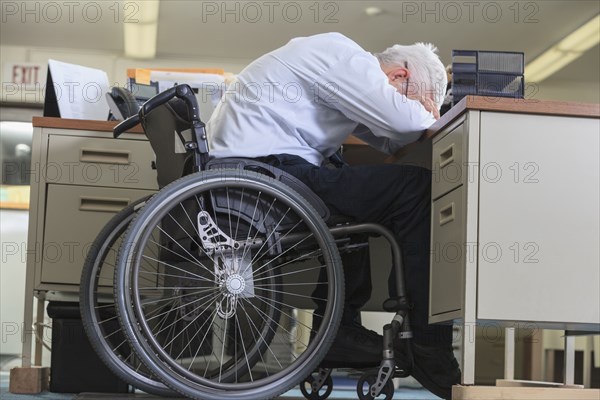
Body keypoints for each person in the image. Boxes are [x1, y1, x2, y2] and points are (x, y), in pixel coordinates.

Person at [206, 32, 460, 399]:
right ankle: (427, 342)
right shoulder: (344, 56)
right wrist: (431, 115)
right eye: (416, 100)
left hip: (254, 170)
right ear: (399, 77)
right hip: (264, 175)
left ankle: (339, 329)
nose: (422, 112)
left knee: (350, 193)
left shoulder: (336, 68)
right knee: (416, 188)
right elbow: (405, 125)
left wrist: (420, 111)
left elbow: (391, 140)